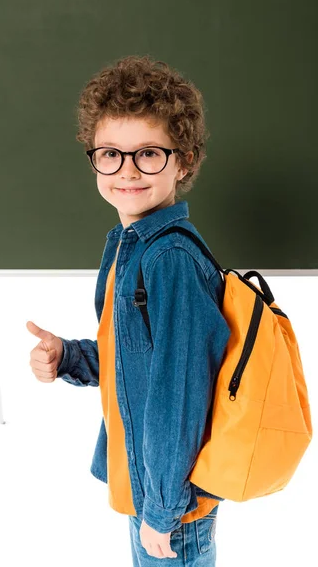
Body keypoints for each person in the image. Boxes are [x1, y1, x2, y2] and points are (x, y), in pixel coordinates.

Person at [27, 54, 231, 565]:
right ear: (94, 158)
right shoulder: (129, 243)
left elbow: (180, 392)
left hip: (170, 502)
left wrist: (161, 512)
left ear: (183, 161)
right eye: (111, 154)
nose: (127, 171)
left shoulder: (170, 259)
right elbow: (131, 359)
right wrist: (69, 357)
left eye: (149, 154)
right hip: (146, 487)